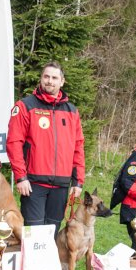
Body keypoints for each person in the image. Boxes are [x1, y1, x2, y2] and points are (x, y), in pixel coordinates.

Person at [7, 61, 85, 231]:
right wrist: (21, 177)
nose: (50, 81)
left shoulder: (72, 111)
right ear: (41, 79)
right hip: (33, 184)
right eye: (46, 76)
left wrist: (77, 182)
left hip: (61, 186)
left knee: (52, 234)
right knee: (33, 234)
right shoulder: (25, 106)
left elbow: (78, 148)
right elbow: (14, 143)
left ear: (62, 82)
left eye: (54, 78)